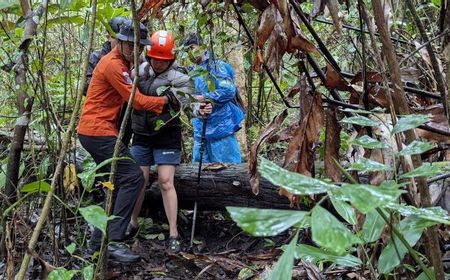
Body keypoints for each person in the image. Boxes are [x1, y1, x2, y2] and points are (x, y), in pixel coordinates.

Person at [77, 20, 178, 263]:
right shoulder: (114, 65)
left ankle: (96, 244)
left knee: (120, 181)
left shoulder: (123, 63)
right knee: (132, 178)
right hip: (97, 131)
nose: (136, 51)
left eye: (138, 46)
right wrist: (166, 102)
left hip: (101, 131)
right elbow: (138, 101)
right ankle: (113, 241)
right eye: (130, 45)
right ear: (120, 42)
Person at [126, 30, 212, 253]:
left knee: (165, 181)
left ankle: (173, 232)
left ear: (171, 59)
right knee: (139, 179)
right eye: (155, 58)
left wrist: (200, 110)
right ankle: (132, 223)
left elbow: (188, 103)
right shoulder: (138, 72)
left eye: (164, 60)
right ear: (148, 55)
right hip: (141, 135)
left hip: (166, 135)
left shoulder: (181, 78)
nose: (158, 63)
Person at [183, 33, 244, 163]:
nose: (190, 53)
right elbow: (187, 101)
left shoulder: (216, 67)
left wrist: (205, 98)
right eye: (186, 50)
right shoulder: (191, 72)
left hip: (221, 129)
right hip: (200, 130)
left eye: (192, 48)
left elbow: (228, 90)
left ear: (202, 47)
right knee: (200, 171)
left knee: (227, 170)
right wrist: (195, 105)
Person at [82, 16, 134, 146]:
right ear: (109, 36)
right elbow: (86, 87)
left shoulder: (133, 57)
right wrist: (113, 82)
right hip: (103, 115)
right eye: (117, 39)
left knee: (121, 147)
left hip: (125, 114)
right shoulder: (97, 57)